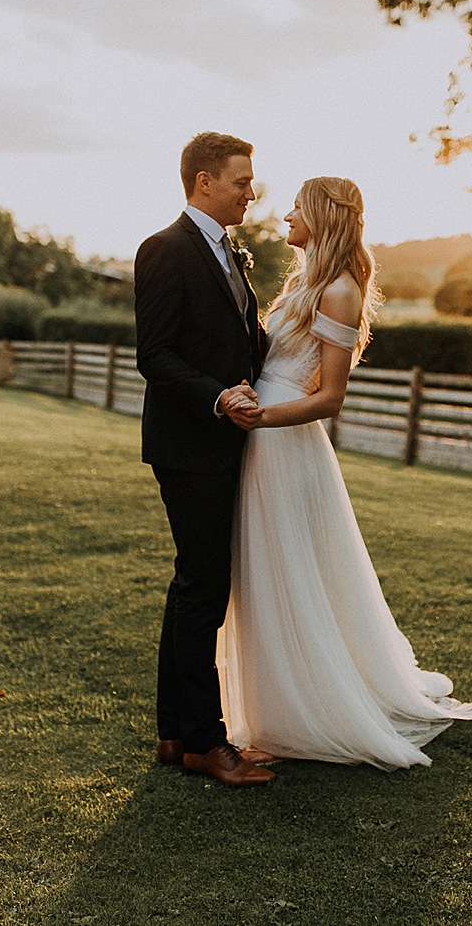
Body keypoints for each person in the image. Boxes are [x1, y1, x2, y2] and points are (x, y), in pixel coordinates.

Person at [218, 176, 472, 770]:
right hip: (264, 434)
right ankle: (275, 701)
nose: (285, 213)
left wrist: (263, 417)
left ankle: (305, 711)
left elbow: (331, 397)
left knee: (287, 569)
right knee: (265, 568)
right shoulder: (302, 282)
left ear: (321, 214)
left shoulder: (339, 290)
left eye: (296, 205)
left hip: (285, 442)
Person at [133, 132, 275, 787]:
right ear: (204, 182)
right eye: (243, 181)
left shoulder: (228, 251)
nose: (252, 191)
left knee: (194, 582)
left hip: (220, 442)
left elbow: (244, 340)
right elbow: (154, 357)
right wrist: (218, 398)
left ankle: (173, 731)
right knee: (204, 586)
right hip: (190, 445)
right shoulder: (164, 249)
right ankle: (204, 742)